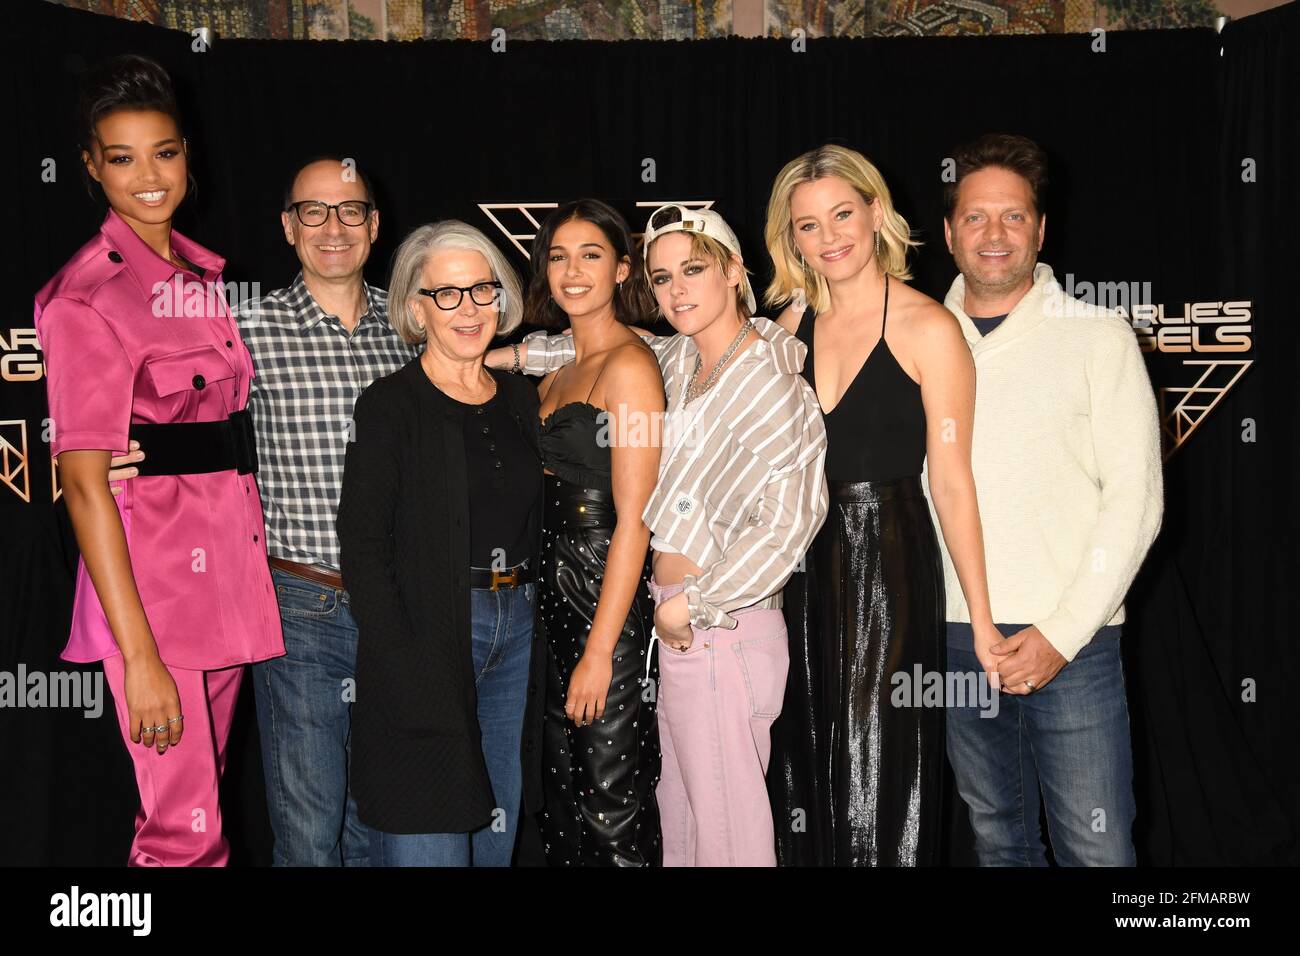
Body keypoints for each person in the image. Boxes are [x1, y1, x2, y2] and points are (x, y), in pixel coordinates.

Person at [109, 155, 420, 866]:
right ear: (287, 226)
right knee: (310, 828)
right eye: (313, 211)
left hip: (401, 606)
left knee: (385, 820)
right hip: (298, 601)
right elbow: (167, 396)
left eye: (350, 211)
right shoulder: (240, 327)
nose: (333, 227)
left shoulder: (414, 330)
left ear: (375, 226)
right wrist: (128, 448)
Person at [506, 204, 828, 866]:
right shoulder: (678, 359)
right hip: (677, 628)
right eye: (661, 278)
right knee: (682, 833)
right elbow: (586, 342)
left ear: (734, 270)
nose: (676, 290)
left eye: (693, 270)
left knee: (729, 843)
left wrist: (696, 603)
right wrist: (502, 353)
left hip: (724, 627)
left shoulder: (772, 380)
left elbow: (794, 522)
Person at [35, 54, 284, 866]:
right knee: (181, 835)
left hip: (225, 583)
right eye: (122, 157)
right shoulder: (86, 298)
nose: (149, 176)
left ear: (187, 155)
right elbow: (81, 484)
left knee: (201, 803)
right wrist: (139, 656)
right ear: (90, 167)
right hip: (155, 601)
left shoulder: (199, 274)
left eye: (164, 152)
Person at [762, 144, 998, 866]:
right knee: (799, 760)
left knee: (881, 769)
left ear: (874, 212)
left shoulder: (931, 327)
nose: (828, 236)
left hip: (889, 565)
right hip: (793, 569)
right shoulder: (783, 331)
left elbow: (952, 481)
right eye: (807, 225)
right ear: (789, 238)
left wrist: (982, 624)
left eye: (841, 214)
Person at [936, 133, 1161, 866]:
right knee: (998, 842)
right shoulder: (914, 342)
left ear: (1039, 229)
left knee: (1098, 847)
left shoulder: (1098, 337)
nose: (993, 234)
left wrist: (1062, 633)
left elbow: (1136, 502)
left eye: (1011, 217)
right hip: (956, 636)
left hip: (1078, 639)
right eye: (975, 217)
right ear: (947, 231)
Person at [337, 221, 542, 866]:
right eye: (446, 294)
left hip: (520, 633)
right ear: (414, 308)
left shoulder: (520, 396)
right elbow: (363, 549)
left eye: (482, 290)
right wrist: (401, 660)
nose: (468, 309)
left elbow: (600, 347)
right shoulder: (389, 406)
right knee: (427, 825)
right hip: (428, 636)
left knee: (498, 832)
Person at [527, 201, 665, 866]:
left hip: (603, 595)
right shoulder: (555, 373)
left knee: (612, 802)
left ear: (622, 269)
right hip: (550, 603)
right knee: (562, 798)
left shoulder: (632, 369)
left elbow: (635, 520)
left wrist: (601, 650)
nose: (572, 270)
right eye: (558, 255)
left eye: (591, 255)